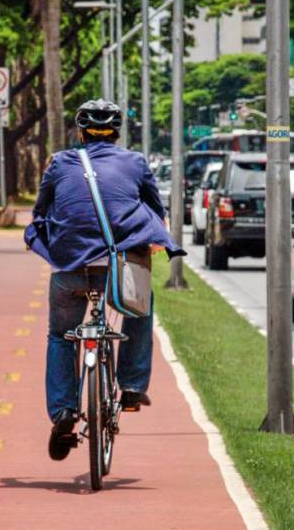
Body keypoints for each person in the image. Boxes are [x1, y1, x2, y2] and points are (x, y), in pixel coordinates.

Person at [25, 99, 184, 461]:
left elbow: (41, 212)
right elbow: (155, 212)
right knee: (140, 309)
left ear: (81, 132)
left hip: (69, 268)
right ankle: (131, 385)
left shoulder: (60, 163)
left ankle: (64, 411)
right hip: (119, 265)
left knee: (60, 336)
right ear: (116, 133)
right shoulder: (136, 163)